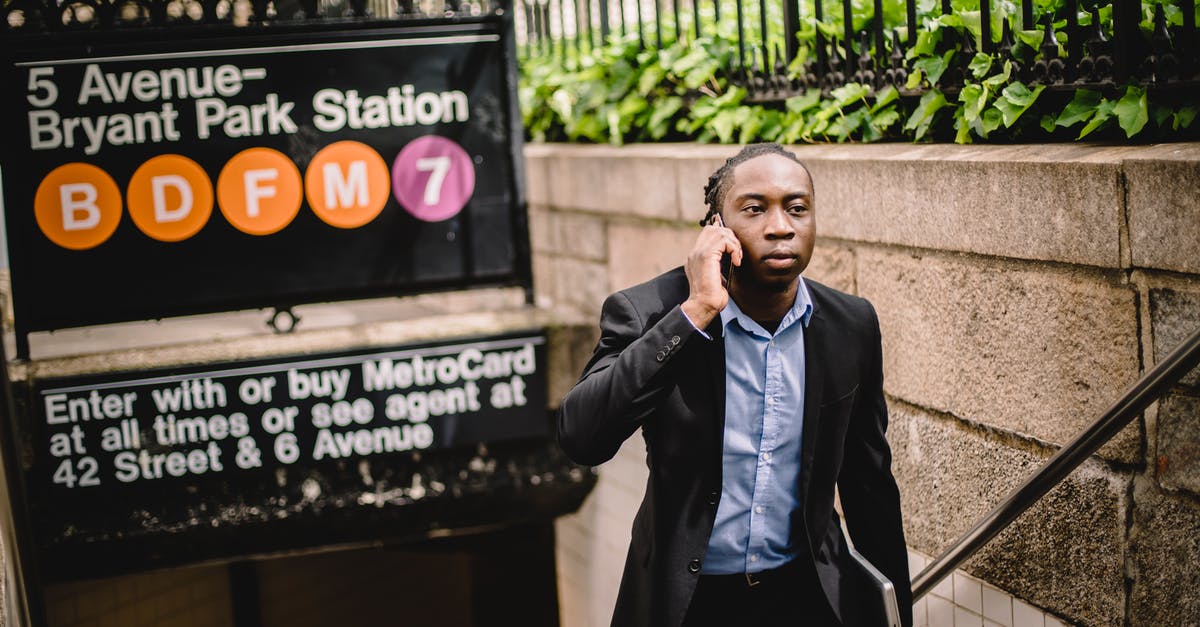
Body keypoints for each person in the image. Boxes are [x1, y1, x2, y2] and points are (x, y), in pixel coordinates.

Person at [556, 143, 912, 627]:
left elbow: (869, 486)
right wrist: (695, 312)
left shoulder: (852, 324)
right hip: (689, 601)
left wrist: (897, 615)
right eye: (754, 208)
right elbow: (582, 437)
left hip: (807, 595)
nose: (780, 226)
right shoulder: (652, 313)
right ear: (717, 229)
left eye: (796, 208)